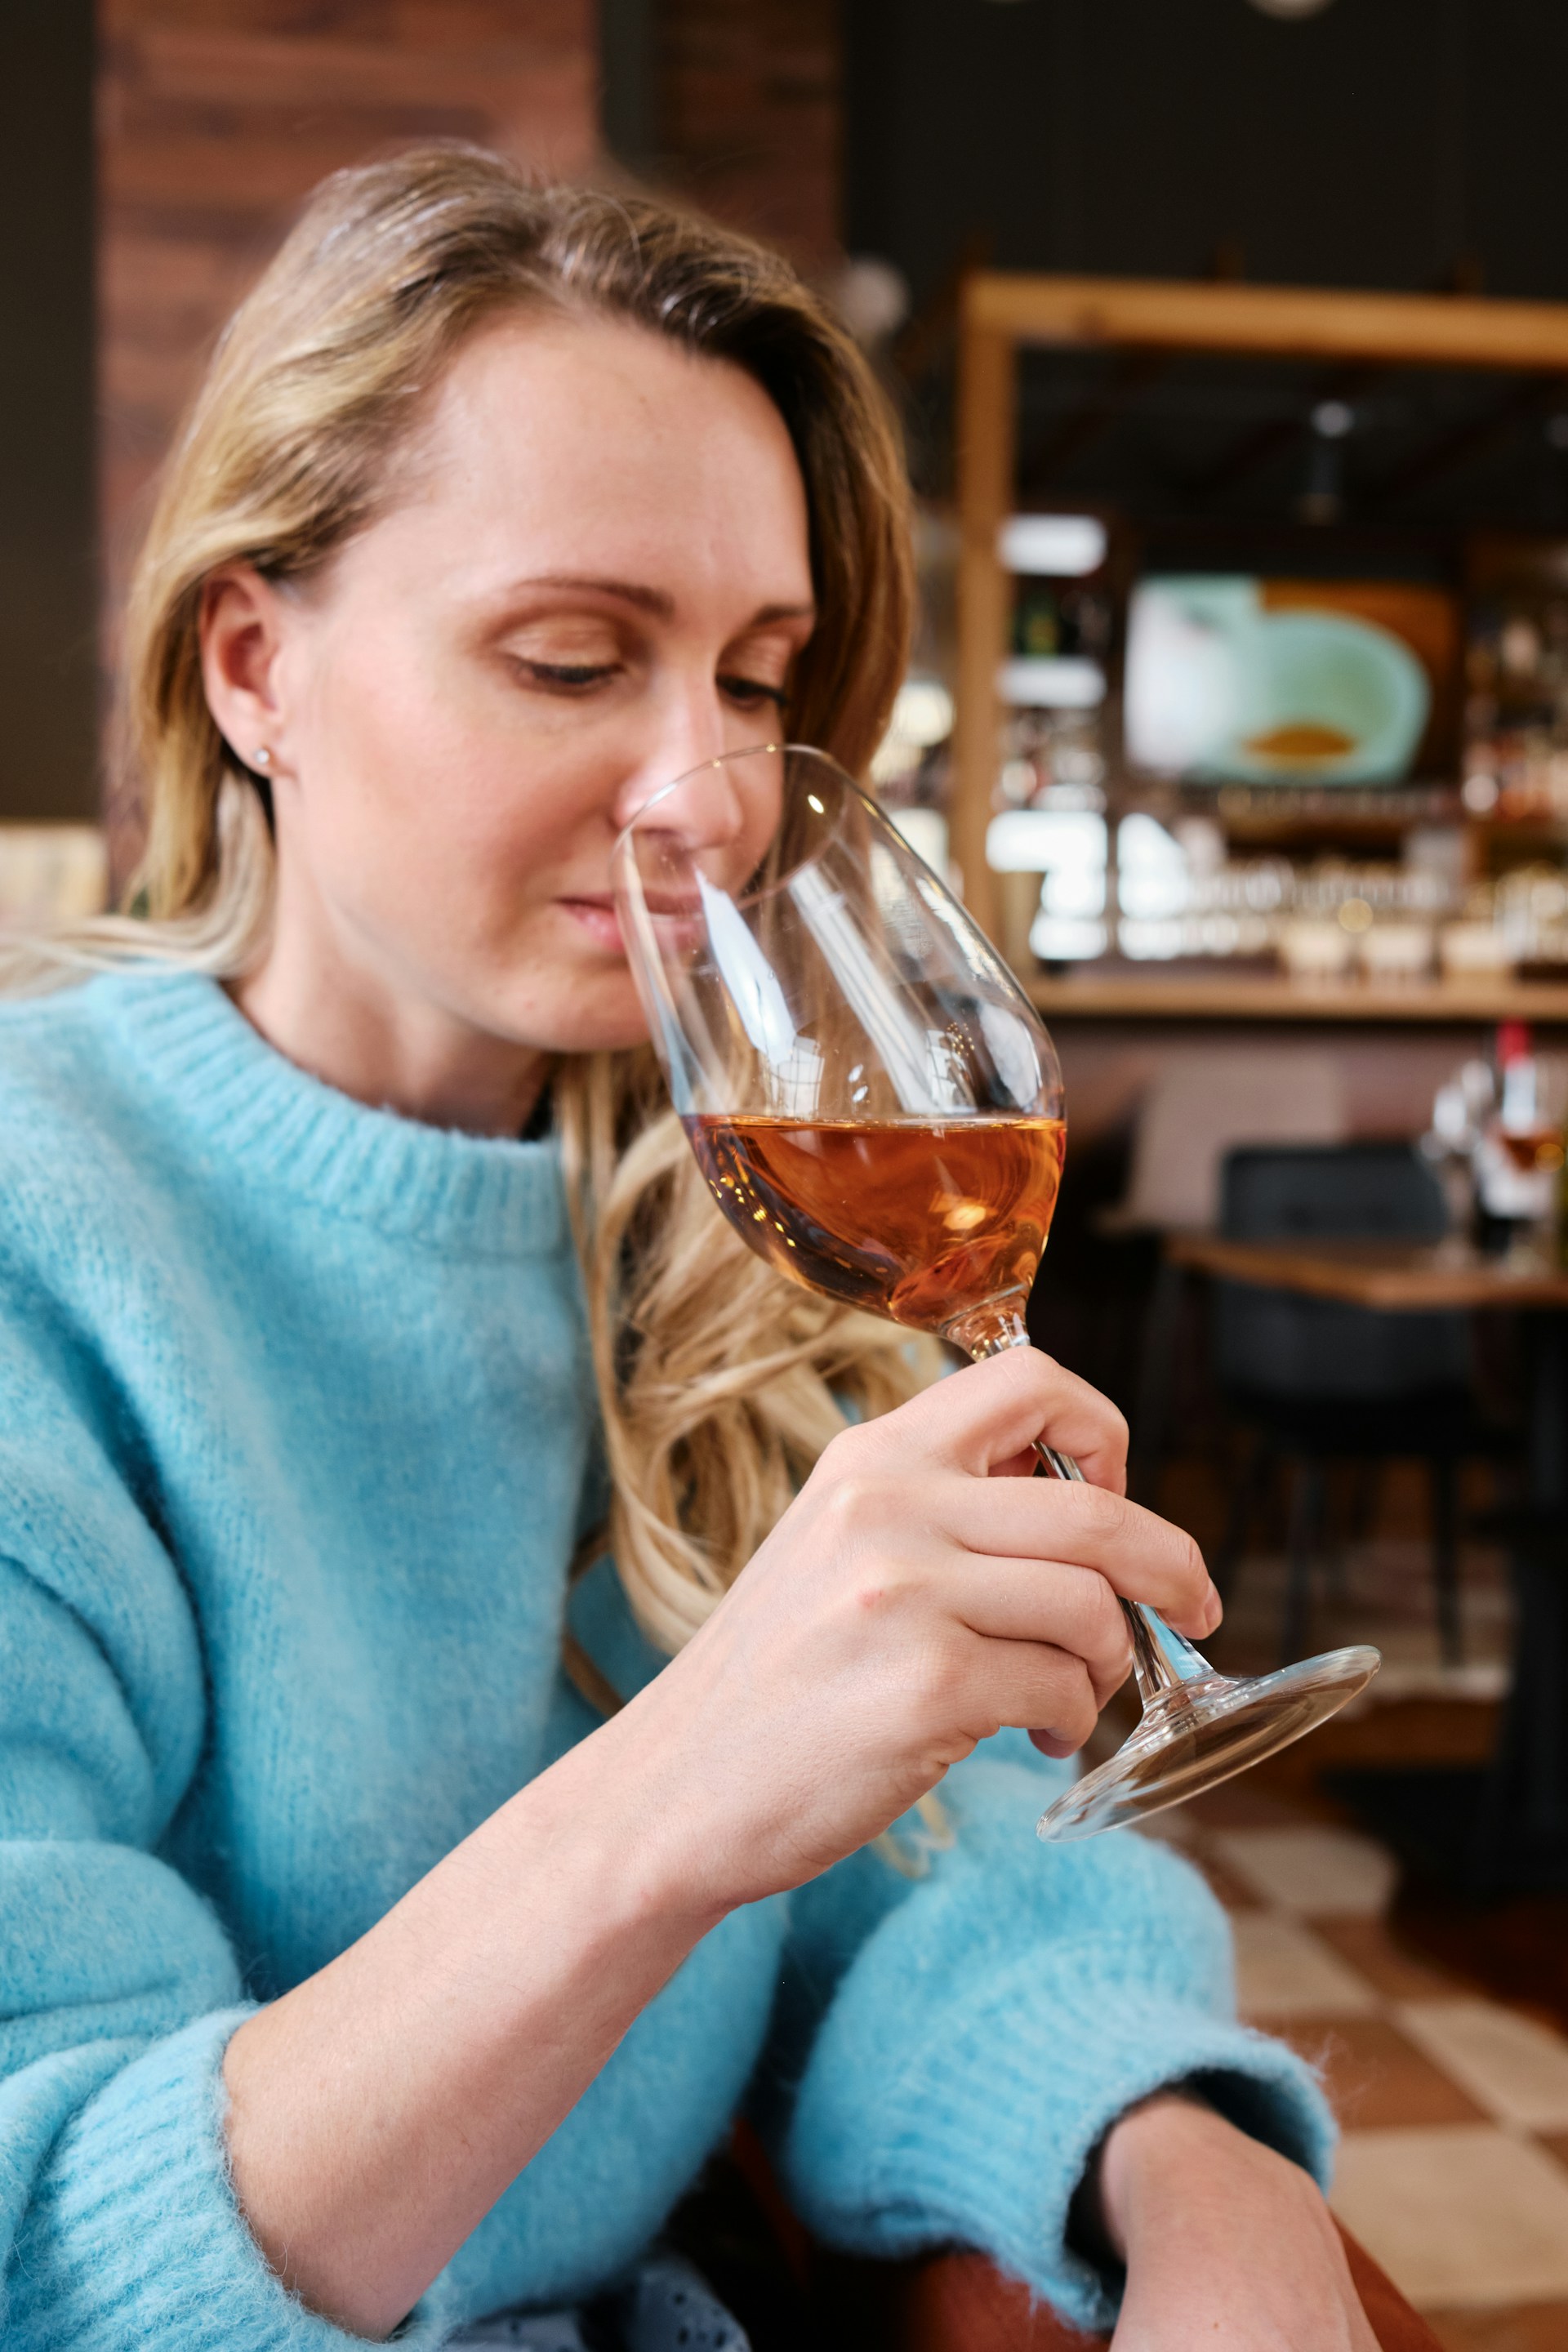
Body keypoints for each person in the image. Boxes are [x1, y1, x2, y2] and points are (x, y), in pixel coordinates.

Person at [0, 145, 1373, 2352]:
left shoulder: (733, 1211)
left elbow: (944, 1868)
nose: (712, 794)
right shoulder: (41, 1229)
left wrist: (1191, 2165)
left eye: (756, 675)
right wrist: (680, 1786)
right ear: (254, 665)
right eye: (569, 660)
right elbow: (42, 2240)